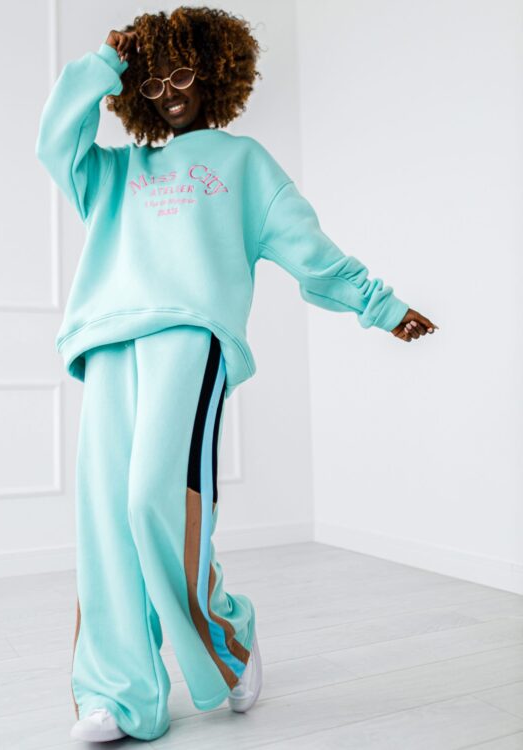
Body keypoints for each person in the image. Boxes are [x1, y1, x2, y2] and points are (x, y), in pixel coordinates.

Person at [35, 5, 438, 743]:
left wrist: (381, 306)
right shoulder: (113, 172)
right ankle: (118, 694)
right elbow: (55, 140)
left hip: (192, 339)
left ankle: (230, 638)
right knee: (106, 518)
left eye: (183, 74)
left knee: (154, 502)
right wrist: (104, 64)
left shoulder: (244, 163)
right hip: (107, 342)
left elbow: (310, 250)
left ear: (215, 73)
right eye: (153, 82)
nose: (170, 93)